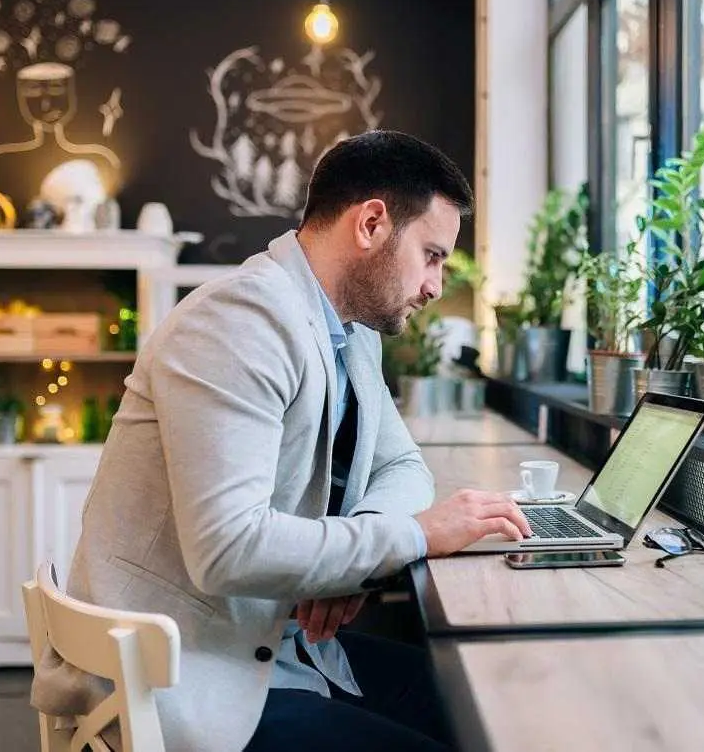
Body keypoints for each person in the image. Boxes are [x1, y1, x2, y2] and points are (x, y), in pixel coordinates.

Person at [30, 130, 533, 752]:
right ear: (372, 223)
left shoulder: (351, 331)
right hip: (179, 679)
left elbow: (401, 463)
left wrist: (357, 562)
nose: (435, 285)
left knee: (478, 705)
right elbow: (229, 550)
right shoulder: (239, 321)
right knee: (470, 725)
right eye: (431, 255)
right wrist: (414, 535)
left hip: (268, 648)